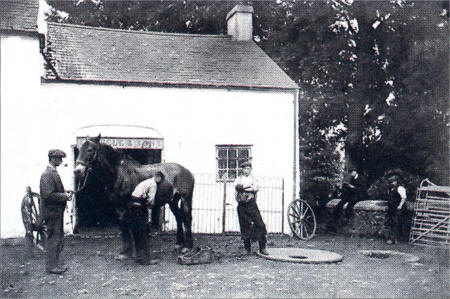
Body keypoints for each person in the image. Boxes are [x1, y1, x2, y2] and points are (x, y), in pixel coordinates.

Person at [40, 149, 72, 274]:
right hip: (52, 212)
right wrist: (64, 196)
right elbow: (48, 195)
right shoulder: (47, 174)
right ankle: (52, 267)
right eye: (59, 158)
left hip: (56, 211)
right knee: (54, 238)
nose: (60, 161)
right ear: (53, 159)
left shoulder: (52, 172)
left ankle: (54, 264)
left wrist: (64, 193)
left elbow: (53, 192)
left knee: (57, 237)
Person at [127, 171, 165, 265]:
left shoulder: (146, 181)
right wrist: (149, 217)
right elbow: (151, 201)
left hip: (132, 204)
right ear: (158, 177)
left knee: (136, 231)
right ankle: (146, 259)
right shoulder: (153, 184)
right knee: (144, 231)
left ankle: (138, 256)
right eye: (160, 180)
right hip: (140, 205)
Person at [234, 161, 268, 255]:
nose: (246, 170)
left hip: (252, 205)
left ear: (250, 169)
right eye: (245, 169)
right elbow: (237, 187)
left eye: (248, 169)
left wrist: (245, 188)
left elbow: (255, 188)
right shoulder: (238, 179)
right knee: (244, 225)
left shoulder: (254, 179)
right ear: (242, 170)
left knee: (260, 224)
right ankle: (247, 248)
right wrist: (248, 187)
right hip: (242, 205)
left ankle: (262, 247)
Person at [385, 172, 407, 244]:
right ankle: (393, 238)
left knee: (396, 223)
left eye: (393, 182)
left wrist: (400, 206)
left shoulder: (400, 188)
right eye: (390, 182)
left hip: (398, 208)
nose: (391, 183)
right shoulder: (391, 188)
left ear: (396, 181)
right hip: (392, 208)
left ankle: (393, 239)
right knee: (391, 223)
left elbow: (403, 198)